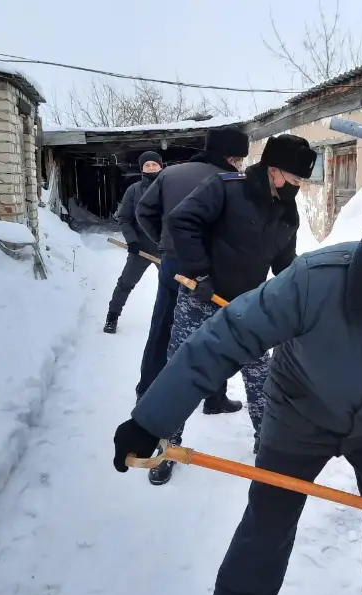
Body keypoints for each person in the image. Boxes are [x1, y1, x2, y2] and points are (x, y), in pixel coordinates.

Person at [112, 197, 362, 595]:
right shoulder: (319, 280)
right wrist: (149, 421)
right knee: (269, 522)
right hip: (298, 411)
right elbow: (226, 338)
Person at [144, 133, 317, 485]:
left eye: (302, 181)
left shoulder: (287, 209)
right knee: (181, 372)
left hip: (247, 306)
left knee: (260, 376)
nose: (298, 186)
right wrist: (199, 270)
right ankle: (167, 446)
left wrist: (300, 296)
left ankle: (267, 442)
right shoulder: (225, 188)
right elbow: (181, 221)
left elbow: (285, 262)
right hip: (200, 299)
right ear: (272, 169)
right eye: (294, 178)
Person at [133, 126, 249, 409]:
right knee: (215, 329)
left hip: (173, 262)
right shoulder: (233, 180)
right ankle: (214, 398)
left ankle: (147, 392)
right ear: (232, 158)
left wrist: (166, 243)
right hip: (215, 266)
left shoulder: (169, 174)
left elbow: (144, 212)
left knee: (163, 325)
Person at [103, 151, 163, 334]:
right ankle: (112, 317)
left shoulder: (170, 187)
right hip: (141, 247)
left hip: (166, 249)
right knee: (125, 283)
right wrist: (132, 241)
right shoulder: (134, 190)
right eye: (147, 165)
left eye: (154, 164)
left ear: (161, 166)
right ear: (142, 168)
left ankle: (173, 321)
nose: (151, 168)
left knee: (175, 287)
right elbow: (124, 218)